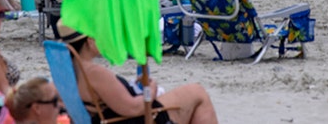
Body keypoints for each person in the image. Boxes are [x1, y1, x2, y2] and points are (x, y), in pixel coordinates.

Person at [59, 26, 219, 124]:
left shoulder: (69, 70)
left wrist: (133, 87)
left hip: (115, 115)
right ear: (89, 42)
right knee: (198, 93)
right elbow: (134, 108)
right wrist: (152, 88)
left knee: (193, 94)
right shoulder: (94, 73)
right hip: (137, 119)